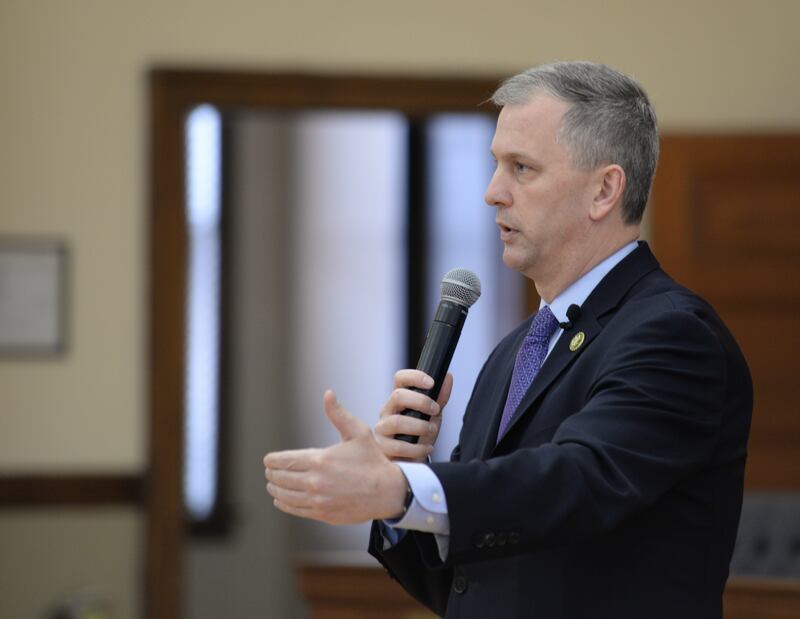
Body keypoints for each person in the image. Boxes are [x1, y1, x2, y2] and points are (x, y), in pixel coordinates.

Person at [263, 61, 752, 619]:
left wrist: (403, 489)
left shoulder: (672, 335)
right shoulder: (515, 350)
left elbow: (577, 481)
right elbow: (468, 584)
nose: (493, 192)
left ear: (604, 190)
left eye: (522, 168)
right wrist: (405, 478)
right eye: (497, 165)